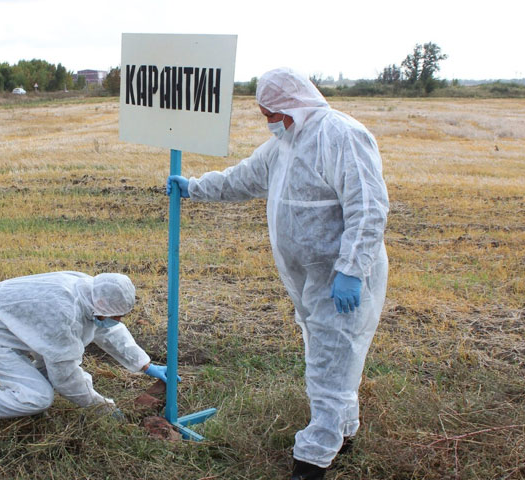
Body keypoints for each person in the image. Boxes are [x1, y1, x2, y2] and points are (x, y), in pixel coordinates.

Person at [167, 68, 389, 480]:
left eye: (269, 110)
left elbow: (369, 205)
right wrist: (193, 187)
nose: (266, 118)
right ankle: (344, 432)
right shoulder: (284, 144)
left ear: (291, 105)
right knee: (334, 360)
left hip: (340, 279)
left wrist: (352, 269)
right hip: (309, 279)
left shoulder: (340, 135)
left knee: (329, 364)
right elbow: (243, 179)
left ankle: (312, 459)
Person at [0, 271, 176, 428]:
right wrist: (102, 408)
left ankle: (20, 392)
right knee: (39, 397)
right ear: (102, 306)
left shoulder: (92, 291)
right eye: (114, 315)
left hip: (9, 326)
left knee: (48, 372)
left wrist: (145, 365)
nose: (116, 320)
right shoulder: (65, 314)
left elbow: (109, 329)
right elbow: (66, 377)